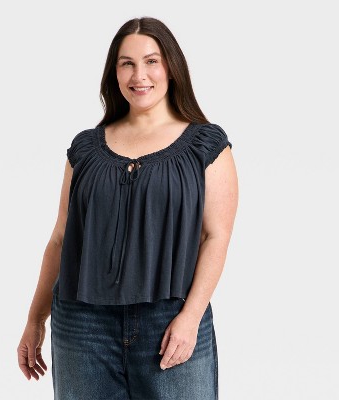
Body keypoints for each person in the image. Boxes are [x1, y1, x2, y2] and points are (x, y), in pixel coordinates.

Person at [17, 16, 238, 400]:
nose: (140, 75)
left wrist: (190, 317)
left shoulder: (206, 144)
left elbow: (215, 236)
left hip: (171, 320)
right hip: (82, 325)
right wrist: (35, 319)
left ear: (171, 67)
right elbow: (60, 239)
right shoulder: (85, 149)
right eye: (127, 63)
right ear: (114, 73)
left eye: (151, 61)